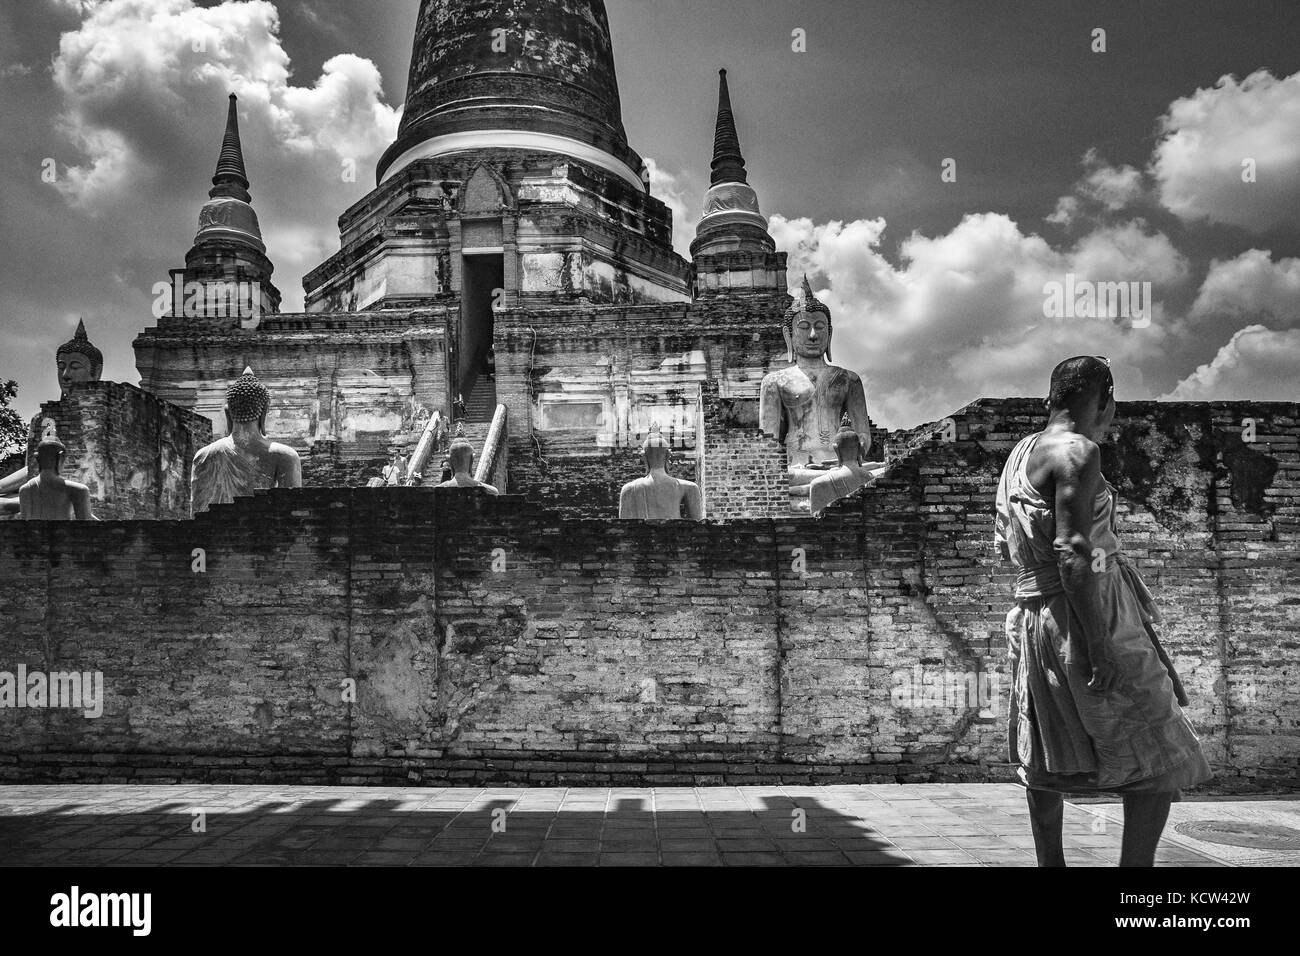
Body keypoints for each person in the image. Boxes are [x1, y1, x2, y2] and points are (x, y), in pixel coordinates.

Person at [995, 356, 1211, 867]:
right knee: (1159, 750)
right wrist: (1096, 643)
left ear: (1051, 398)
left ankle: (1053, 865)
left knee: (1048, 742)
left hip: (1036, 616)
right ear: (1106, 396)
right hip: (1087, 611)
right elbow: (1073, 550)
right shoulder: (1079, 451)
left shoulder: (1021, 454)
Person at [18, 438, 97, 521]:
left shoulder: (25, 490)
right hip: (63, 533)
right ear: (60, 458)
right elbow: (87, 528)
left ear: (37, 458)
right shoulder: (79, 490)